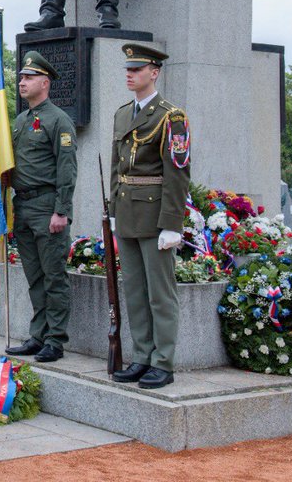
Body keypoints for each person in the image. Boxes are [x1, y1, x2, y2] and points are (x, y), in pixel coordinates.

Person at [108, 43, 190, 389]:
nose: (130, 74)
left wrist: (172, 224)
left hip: (155, 213)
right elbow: (116, 166)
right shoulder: (122, 114)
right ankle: (141, 356)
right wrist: (114, 211)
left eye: (137, 69)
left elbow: (178, 172)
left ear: (154, 73)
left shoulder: (171, 116)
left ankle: (163, 361)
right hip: (128, 212)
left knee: (160, 292)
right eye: (128, 69)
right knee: (135, 292)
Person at [6, 52, 77, 362]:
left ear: (45, 83)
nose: (22, 81)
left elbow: (67, 168)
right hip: (22, 205)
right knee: (34, 276)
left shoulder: (58, 120)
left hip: (47, 206)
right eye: (21, 77)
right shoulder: (21, 120)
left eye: (29, 77)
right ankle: (38, 334)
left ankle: (55, 339)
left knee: (54, 276)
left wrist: (61, 211)